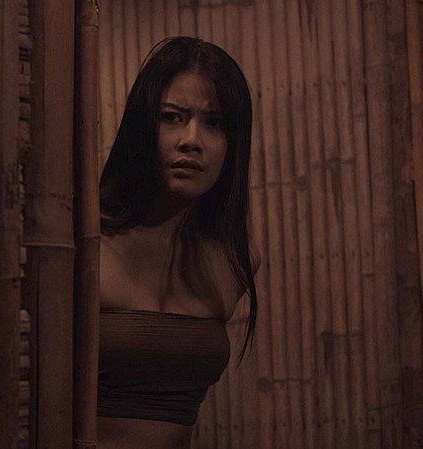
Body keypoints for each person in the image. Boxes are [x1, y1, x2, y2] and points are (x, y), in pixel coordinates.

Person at [97, 36, 259, 449]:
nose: (192, 139)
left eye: (215, 123)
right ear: (141, 127)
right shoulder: (85, 243)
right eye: (172, 117)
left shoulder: (235, 257)